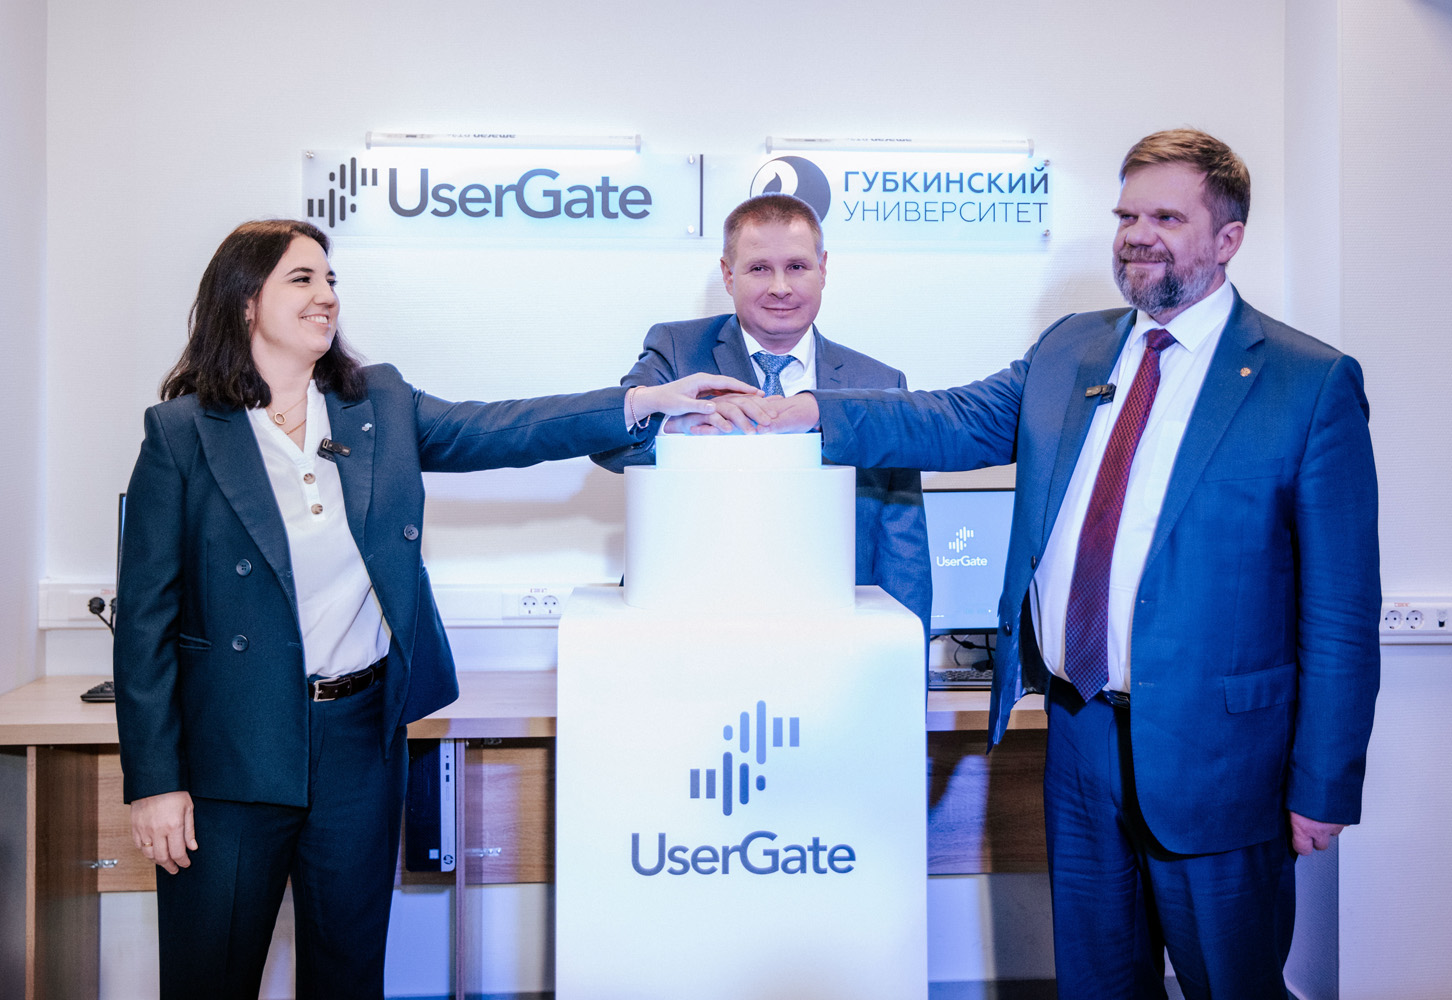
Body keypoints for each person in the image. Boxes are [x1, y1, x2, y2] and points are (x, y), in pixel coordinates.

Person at [720, 130, 1380, 998]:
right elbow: (951, 421)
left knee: (1232, 983)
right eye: (1126, 215)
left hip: (1221, 760)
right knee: (1097, 983)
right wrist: (804, 411)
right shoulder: (1073, 348)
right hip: (1078, 734)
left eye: (1166, 218)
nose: (1136, 235)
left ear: (1228, 238)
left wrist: (1324, 783)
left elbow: (1340, 614)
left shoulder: (1308, 382)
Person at [114, 219, 755, 999]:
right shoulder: (182, 433)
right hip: (232, 746)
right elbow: (145, 623)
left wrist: (640, 402)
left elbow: (504, 427)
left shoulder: (375, 403)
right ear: (246, 301)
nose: (326, 296)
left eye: (330, 280)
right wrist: (155, 783)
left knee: (349, 976)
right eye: (302, 279)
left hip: (358, 738)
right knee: (209, 977)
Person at [591, 193, 932, 637]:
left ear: (823, 269)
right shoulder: (676, 351)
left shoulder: (879, 382)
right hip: (689, 615)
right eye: (759, 268)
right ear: (728, 274)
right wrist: (683, 422)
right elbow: (609, 443)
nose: (780, 287)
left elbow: (902, 538)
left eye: (797, 266)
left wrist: (908, 653)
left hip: (837, 624)